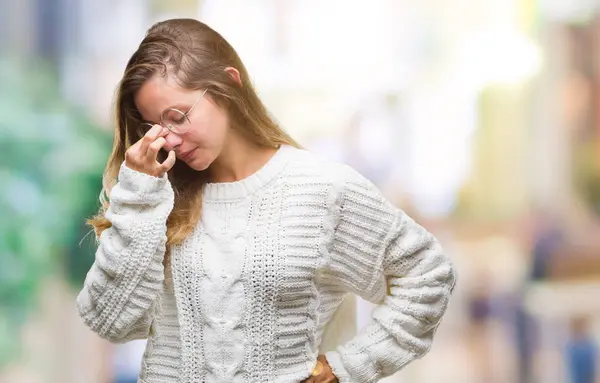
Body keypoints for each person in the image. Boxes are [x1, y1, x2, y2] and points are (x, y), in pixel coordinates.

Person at [76, 18, 456, 383]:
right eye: (154, 125)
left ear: (229, 85)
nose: (168, 139)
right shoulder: (154, 197)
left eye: (178, 116)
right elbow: (111, 321)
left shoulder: (321, 189)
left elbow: (428, 275)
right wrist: (139, 195)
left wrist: (350, 366)